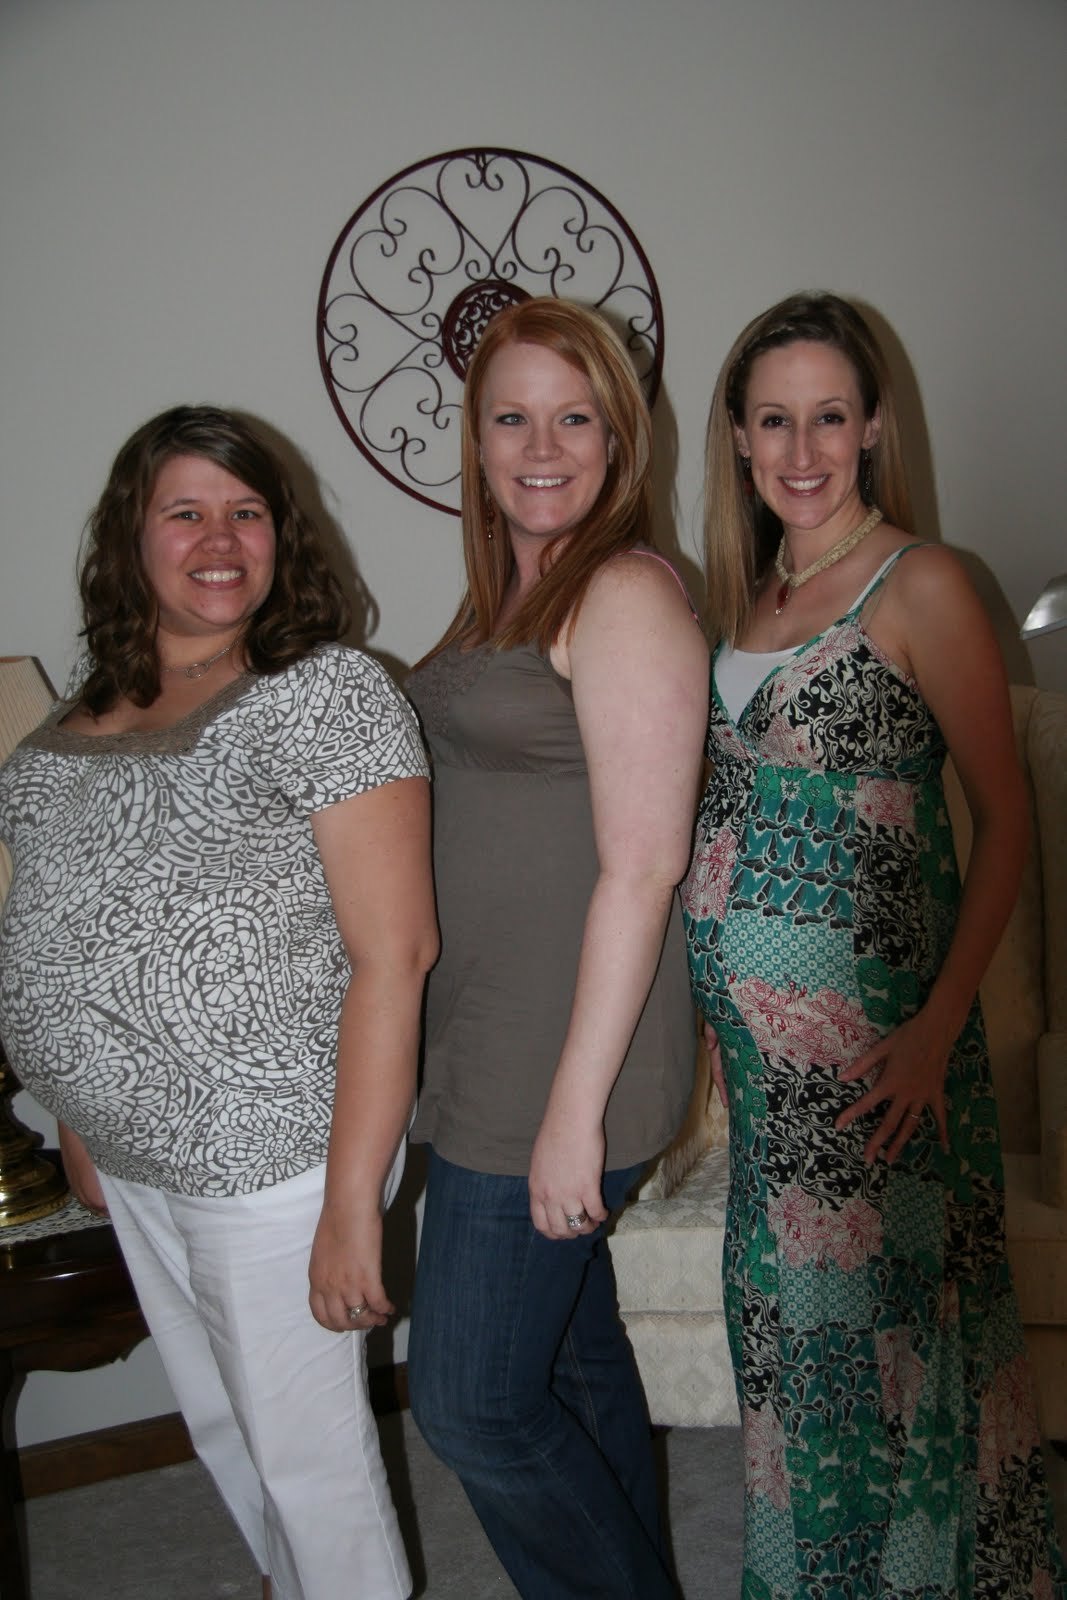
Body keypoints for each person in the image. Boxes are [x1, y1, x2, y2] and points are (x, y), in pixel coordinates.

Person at [0, 407, 438, 1600]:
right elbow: (69, 922)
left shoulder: (325, 695)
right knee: (228, 1434)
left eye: (246, 511)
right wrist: (81, 1116)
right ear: (128, 538)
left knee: (310, 1467)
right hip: (139, 1155)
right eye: (184, 511)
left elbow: (394, 954)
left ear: (281, 537)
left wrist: (351, 1205)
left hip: (270, 1155)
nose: (219, 538)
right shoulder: (76, 719)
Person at [685, 291, 1066, 1596]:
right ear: (737, 438)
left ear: (870, 428)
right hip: (766, 1085)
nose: (800, 450)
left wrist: (930, 1031)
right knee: (787, 1354)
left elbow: (1002, 821)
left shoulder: (923, 583)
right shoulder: (741, 597)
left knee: (888, 1358)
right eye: (772, 420)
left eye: (827, 417)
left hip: (876, 1061)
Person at [404, 298, 709, 1598]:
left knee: (468, 1402)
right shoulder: (509, 594)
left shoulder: (622, 590)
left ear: (617, 438)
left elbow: (643, 863)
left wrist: (571, 1115)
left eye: (572, 418)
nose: (540, 447)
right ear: (475, 441)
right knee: (574, 1369)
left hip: (559, 1064)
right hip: (494, 1044)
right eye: (511, 418)